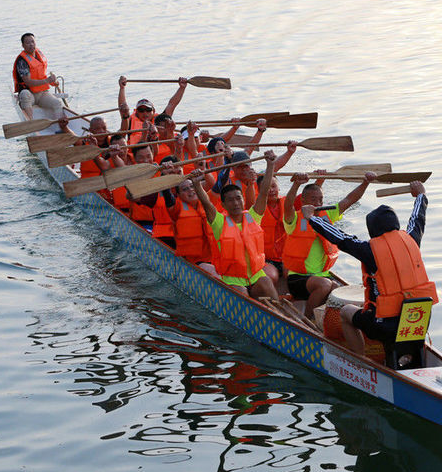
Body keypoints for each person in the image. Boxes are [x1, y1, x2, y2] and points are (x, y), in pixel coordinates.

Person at [302, 180, 438, 368]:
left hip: (385, 325)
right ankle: (407, 359)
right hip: (419, 319)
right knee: (399, 330)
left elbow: (340, 238)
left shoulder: (369, 250)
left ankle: (361, 363)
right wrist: (421, 195)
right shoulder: (412, 239)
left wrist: (311, 218)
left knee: (346, 312)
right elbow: (418, 218)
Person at [282, 172, 372, 319]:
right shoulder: (294, 219)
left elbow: (350, 199)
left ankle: (331, 323)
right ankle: (308, 319)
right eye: (313, 199)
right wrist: (296, 184)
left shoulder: (327, 216)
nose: (318, 204)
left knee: (337, 290)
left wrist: (366, 182)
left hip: (321, 276)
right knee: (324, 285)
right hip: (297, 279)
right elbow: (287, 205)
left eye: (321, 199)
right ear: (303, 200)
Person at [190, 151, 279, 299]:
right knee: (242, 295)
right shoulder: (219, 222)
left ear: (243, 200)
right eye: (230, 200)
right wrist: (197, 183)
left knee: (267, 283)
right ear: (223, 205)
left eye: (238, 198)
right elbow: (206, 202)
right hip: (233, 279)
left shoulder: (253, 216)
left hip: (256, 275)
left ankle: (280, 313)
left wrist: (270, 165)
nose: (236, 203)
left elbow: (263, 193)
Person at [118, 75, 189, 144]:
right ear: (136, 112)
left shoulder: (161, 119)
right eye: (141, 110)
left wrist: (182, 88)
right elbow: (123, 108)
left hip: (164, 153)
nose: (145, 113)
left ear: (153, 111)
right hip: (139, 153)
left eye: (148, 110)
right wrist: (122, 88)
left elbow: (172, 104)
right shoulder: (129, 121)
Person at [13, 33, 65, 121]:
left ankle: (60, 127)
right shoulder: (22, 61)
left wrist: (53, 81)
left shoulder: (39, 55)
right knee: (24, 94)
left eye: (32, 41)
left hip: (42, 93)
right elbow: (28, 82)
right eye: (28, 43)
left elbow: (41, 75)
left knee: (57, 103)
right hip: (30, 94)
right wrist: (47, 81)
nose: (31, 44)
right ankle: (31, 124)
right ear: (23, 45)